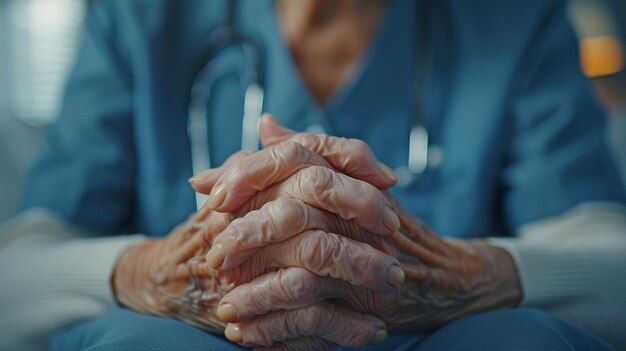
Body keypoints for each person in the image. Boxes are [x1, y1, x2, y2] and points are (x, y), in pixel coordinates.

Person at [0, 0, 625, 350]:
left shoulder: (516, 21)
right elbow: (14, 281)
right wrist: (147, 275)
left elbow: (612, 269)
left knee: (519, 341)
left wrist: (471, 277)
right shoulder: (139, 19)